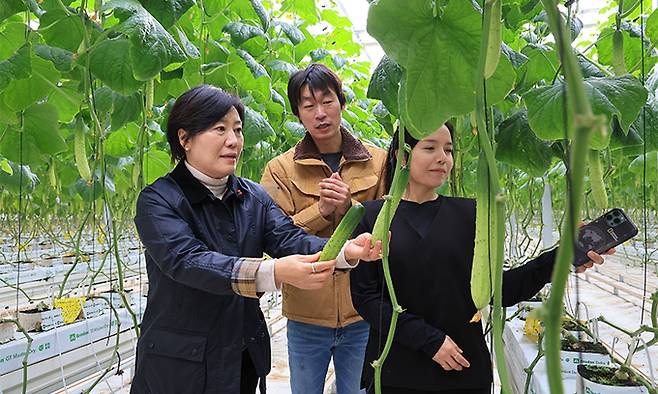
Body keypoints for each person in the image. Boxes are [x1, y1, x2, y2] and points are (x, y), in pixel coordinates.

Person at [131, 85, 382, 394]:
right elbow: (187, 262)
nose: (233, 141)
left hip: (240, 356)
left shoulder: (252, 196)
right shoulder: (158, 200)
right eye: (219, 129)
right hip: (181, 364)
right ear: (184, 139)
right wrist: (274, 273)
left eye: (237, 129)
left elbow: (290, 240)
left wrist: (346, 252)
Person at [349, 124, 614, 394]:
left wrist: (559, 259)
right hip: (397, 373)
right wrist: (429, 340)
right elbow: (366, 297)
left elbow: (497, 289)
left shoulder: (471, 213)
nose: (443, 157)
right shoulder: (372, 217)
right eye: (430, 148)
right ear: (401, 156)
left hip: (463, 372)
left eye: (449, 150)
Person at [260, 63, 387, 394]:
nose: (320, 113)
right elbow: (274, 238)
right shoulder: (279, 170)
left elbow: (389, 228)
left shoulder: (378, 161)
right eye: (308, 105)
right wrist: (322, 210)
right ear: (298, 114)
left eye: (327, 101)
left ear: (342, 103)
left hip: (363, 313)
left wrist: (349, 210)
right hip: (306, 315)